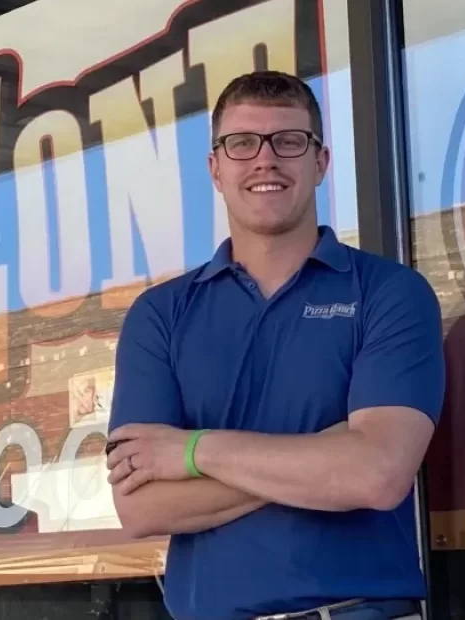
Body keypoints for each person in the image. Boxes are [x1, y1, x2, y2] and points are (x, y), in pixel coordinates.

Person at [104, 70, 443, 620]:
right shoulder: (160, 316)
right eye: (241, 144)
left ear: (321, 162)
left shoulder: (390, 293)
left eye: (289, 141)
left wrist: (191, 452)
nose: (265, 160)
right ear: (216, 168)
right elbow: (141, 506)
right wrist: (325, 453)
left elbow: (376, 475)